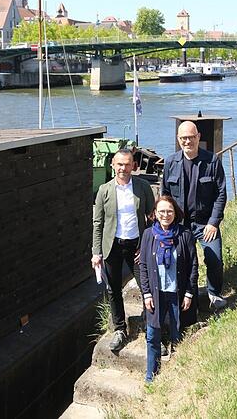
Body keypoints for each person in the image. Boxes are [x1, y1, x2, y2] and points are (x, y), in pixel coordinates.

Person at [91, 148, 155, 352]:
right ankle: (119, 329)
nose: (123, 168)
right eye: (120, 164)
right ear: (113, 165)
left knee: (147, 286)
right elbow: (98, 223)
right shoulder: (104, 190)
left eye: (127, 164)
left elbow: (152, 219)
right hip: (113, 246)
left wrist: (146, 246)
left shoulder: (143, 187)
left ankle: (149, 325)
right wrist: (96, 252)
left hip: (136, 246)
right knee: (113, 290)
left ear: (133, 166)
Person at [161, 121, 228, 310]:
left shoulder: (212, 161)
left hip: (205, 223)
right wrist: (165, 222)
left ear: (198, 137)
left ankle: (214, 294)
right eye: (183, 138)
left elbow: (221, 193)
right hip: (179, 224)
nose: (187, 141)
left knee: (214, 259)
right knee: (175, 260)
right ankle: (176, 295)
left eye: (191, 137)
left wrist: (214, 223)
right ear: (178, 139)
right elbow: (164, 194)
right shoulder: (170, 163)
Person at [139, 195, 198, 384]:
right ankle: (151, 376)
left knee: (177, 334)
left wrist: (189, 292)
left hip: (177, 294)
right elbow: (143, 266)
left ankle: (177, 375)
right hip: (155, 295)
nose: (166, 215)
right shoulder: (149, 235)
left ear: (175, 213)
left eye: (169, 211)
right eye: (162, 211)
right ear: (155, 213)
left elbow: (193, 266)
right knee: (152, 335)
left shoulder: (185, 235)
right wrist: (146, 293)